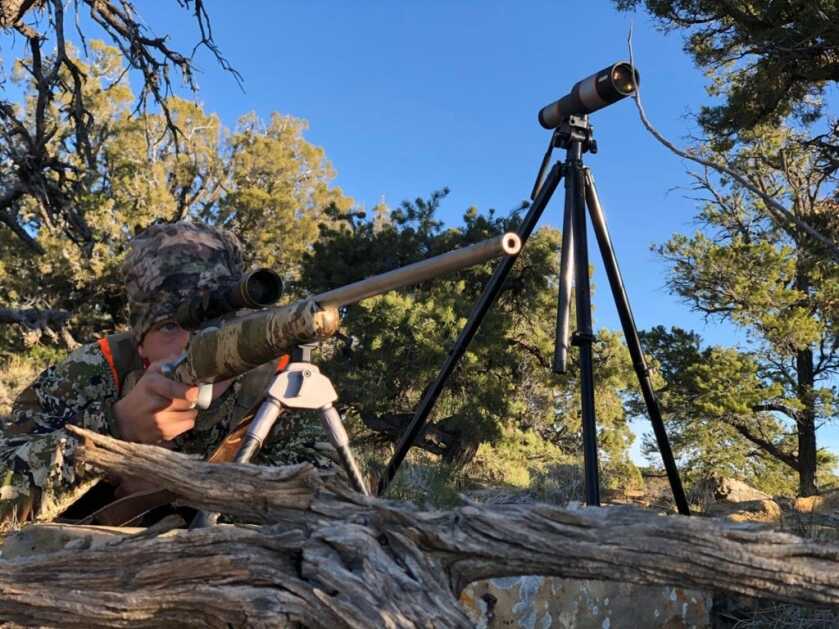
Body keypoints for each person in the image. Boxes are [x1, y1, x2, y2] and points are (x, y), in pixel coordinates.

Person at [0, 221, 337, 525]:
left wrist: (192, 487)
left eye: (218, 325)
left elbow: (329, 501)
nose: (197, 343)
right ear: (140, 342)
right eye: (172, 326)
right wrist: (114, 430)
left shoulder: (281, 383)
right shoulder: (93, 371)